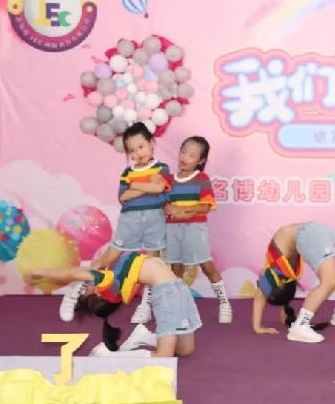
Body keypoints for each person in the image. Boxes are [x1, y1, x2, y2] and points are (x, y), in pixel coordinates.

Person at [59, 122, 170, 324]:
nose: (138, 153)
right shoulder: (128, 173)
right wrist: (146, 185)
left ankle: (146, 305)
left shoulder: (162, 168)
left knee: (152, 262)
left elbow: (158, 188)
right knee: (108, 258)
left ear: (152, 143)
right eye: (132, 150)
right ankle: (76, 290)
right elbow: (124, 197)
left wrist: (136, 186)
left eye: (141, 147)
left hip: (155, 220)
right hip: (130, 220)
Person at [28, 251, 200, 357]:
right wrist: (42, 272)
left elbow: (82, 272)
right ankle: (107, 355)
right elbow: (73, 274)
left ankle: (144, 336)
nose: (85, 287)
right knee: (163, 358)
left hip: (180, 289)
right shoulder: (108, 282)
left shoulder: (115, 281)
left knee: (185, 350)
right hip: (168, 294)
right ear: (98, 294)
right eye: (85, 291)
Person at [252, 222, 335, 343]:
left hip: (313, 230)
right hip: (310, 232)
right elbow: (280, 294)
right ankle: (300, 326)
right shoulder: (281, 272)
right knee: (329, 282)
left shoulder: (275, 270)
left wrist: (257, 327)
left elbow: (260, 295)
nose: (265, 285)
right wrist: (282, 313)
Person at [163, 136, 232, 323]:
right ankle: (178, 306)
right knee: (175, 268)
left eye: (191, 155)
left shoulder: (202, 179)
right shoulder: (169, 180)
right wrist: (172, 211)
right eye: (183, 152)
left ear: (201, 161)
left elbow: (206, 206)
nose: (184, 157)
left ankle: (224, 302)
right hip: (172, 231)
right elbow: (165, 206)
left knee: (207, 266)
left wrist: (183, 210)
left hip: (194, 229)